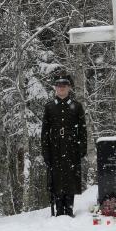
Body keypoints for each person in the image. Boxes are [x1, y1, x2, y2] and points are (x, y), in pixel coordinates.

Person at [40, 73, 87, 217]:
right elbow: (45, 132)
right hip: (55, 148)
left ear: (69, 88)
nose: (61, 89)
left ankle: (69, 208)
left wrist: (82, 148)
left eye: (64, 86)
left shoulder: (76, 106)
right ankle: (59, 210)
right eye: (59, 86)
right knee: (57, 179)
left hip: (71, 147)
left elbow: (82, 129)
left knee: (70, 178)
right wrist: (46, 152)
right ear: (55, 88)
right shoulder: (49, 107)